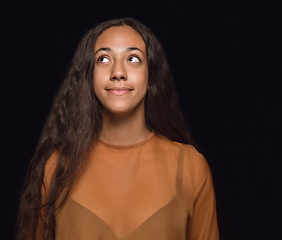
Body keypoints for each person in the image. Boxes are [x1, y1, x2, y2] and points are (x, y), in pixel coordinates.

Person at [16, 18, 219, 240]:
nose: (118, 72)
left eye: (133, 59)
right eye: (103, 59)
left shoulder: (191, 167)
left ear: (151, 76)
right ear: (89, 76)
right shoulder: (56, 168)